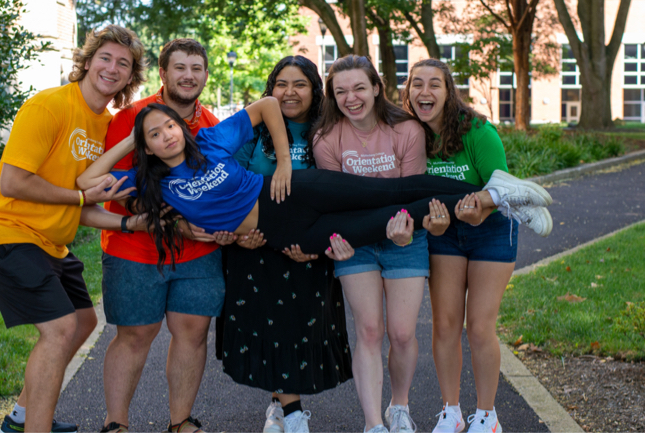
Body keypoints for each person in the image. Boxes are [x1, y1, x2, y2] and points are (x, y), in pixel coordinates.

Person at [76, 96, 552, 263]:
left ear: (182, 129)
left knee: (392, 188)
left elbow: (265, 106)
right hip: (285, 233)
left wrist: (284, 163)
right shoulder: (147, 182)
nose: (166, 137)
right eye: (154, 135)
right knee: (392, 217)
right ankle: (500, 195)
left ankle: (497, 193)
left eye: (168, 127)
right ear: (149, 147)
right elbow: (85, 186)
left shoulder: (212, 143)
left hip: (290, 190)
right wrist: (131, 141)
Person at [0, 25, 147, 433]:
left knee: (83, 321)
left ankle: (20, 418)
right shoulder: (48, 106)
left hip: (49, 241)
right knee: (61, 329)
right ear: (87, 62)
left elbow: (82, 205)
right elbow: (15, 183)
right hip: (4, 229)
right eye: (105, 57)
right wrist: (82, 198)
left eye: (124, 63)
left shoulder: (105, 125)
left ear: (129, 78)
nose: (112, 67)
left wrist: (129, 222)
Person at [402, 58, 552, 433]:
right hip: (445, 231)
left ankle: (487, 415)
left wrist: (482, 208)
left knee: (480, 327)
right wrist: (431, 225)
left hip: (492, 227)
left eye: (434, 84)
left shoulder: (477, 131)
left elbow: (494, 183)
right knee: (445, 324)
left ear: (448, 91)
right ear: (407, 93)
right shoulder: (408, 135)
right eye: (416, 84)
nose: (425, 92)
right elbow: (413, 194)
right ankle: (451, 412)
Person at [215, 56, 355, 433]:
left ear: (314, 90)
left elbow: (339, 191)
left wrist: (319, 244)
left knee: (299, 330)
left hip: (309, 250)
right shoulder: (252, 132)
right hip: (255, 248)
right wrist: (239, 236)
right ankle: (291, 413)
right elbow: (228, 184)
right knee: (267, 329)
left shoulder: (328, 131)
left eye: (299, 84)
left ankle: (280, 407)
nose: (289, 92)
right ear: (271, 89)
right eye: (281, 84)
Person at [313, 54, 449, 433]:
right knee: (369, 331)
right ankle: (373, 423)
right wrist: (336, 240)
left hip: (404, 237)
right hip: (355, 243)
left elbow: (411, 192)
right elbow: (335, 202)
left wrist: (405, 228)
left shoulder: (407, 131)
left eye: (358, 88)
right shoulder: (327, 138)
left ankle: (399, 406)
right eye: (340, 91)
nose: (350, 98)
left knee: (403, 332)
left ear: (376, 88)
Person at [95, 39, 222, 433]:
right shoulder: (131, 118)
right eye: (179, 67)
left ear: (204, 75)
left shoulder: (213, 127)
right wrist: (157, 217)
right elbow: (107, 185)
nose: (188, 75)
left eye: (196, 68)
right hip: (134, 249)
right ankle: (116, 424)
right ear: (163, 74)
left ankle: (180, 422)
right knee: (135, 335)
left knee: (192, 333)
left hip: (197, 254)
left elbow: (219, 189)